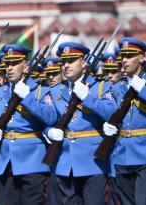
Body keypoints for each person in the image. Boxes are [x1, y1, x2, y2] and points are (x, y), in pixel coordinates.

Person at [0, 44, 57, 205]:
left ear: (25, 67)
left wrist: (27, 98)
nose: (9, 68)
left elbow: (51, 117)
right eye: (7, 64)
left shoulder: (40, 91)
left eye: (14, 64)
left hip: (31, 160)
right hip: (4, 161)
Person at [45, 42, 116, 204]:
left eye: (71, 60)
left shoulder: (100, 87)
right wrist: (48, 131)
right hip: (65, 162)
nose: (66, 65)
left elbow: (112, 113)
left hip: (92, 161)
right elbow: (47, 119)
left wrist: (87, 98)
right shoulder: (56, 90)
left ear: (84, 63)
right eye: (63, 61)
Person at [102, 37, 146, 204]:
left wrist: (140, 87)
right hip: (123, 154)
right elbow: (110, 111)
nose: (124, 60)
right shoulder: (118, 87)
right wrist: (106, 124)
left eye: (129, 55)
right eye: (122, 56)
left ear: (142, 58)